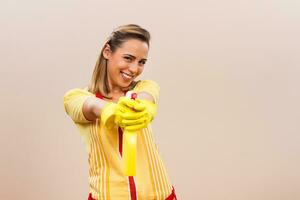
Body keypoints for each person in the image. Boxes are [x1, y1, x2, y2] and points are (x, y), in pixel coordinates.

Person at [63, 24, 177, 200]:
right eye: (128, 58)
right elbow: (88, 106)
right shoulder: (76, 97)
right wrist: (110, 111)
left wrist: (144, 107)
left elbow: (148, 96)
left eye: (141, 62)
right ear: (107, 52)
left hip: (160, 195)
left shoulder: (144, 88)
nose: (134, 69)